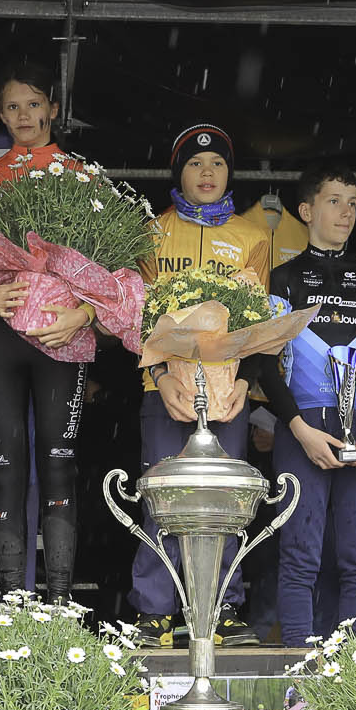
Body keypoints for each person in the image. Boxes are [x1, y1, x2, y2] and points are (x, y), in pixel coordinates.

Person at [0, 64, 95, 602]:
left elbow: (109, 272)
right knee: (5, 464)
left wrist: (84, 315)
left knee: (59, 465)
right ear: (1, 115)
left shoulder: (81, 176)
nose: (24, 116)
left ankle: (59, 603)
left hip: (60, 335)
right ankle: (11, 604)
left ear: (52, 108)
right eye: (13, 107)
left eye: (33, 104)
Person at [132, 123, 270, 647]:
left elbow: (260, 322)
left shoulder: (254, 236)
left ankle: (223, 608)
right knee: (160, 497)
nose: (207, 172)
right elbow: (136, 316)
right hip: (164, 388)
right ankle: (155, 611)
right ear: (178, 172)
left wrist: (246, 385)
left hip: (226, 391)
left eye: (217, 163)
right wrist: (158, 375)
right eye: (194, 163)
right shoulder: (150, 232)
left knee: (225, 501)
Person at [259, 165, 356, 642]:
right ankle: (298, 663)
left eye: (352, 203)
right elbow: (266, 364)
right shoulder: (283, 278)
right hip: (303, 430)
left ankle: (352, 668)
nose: (346, 212)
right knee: (300, 556)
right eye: (334, 201)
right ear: (306, 210)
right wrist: (298, 429)